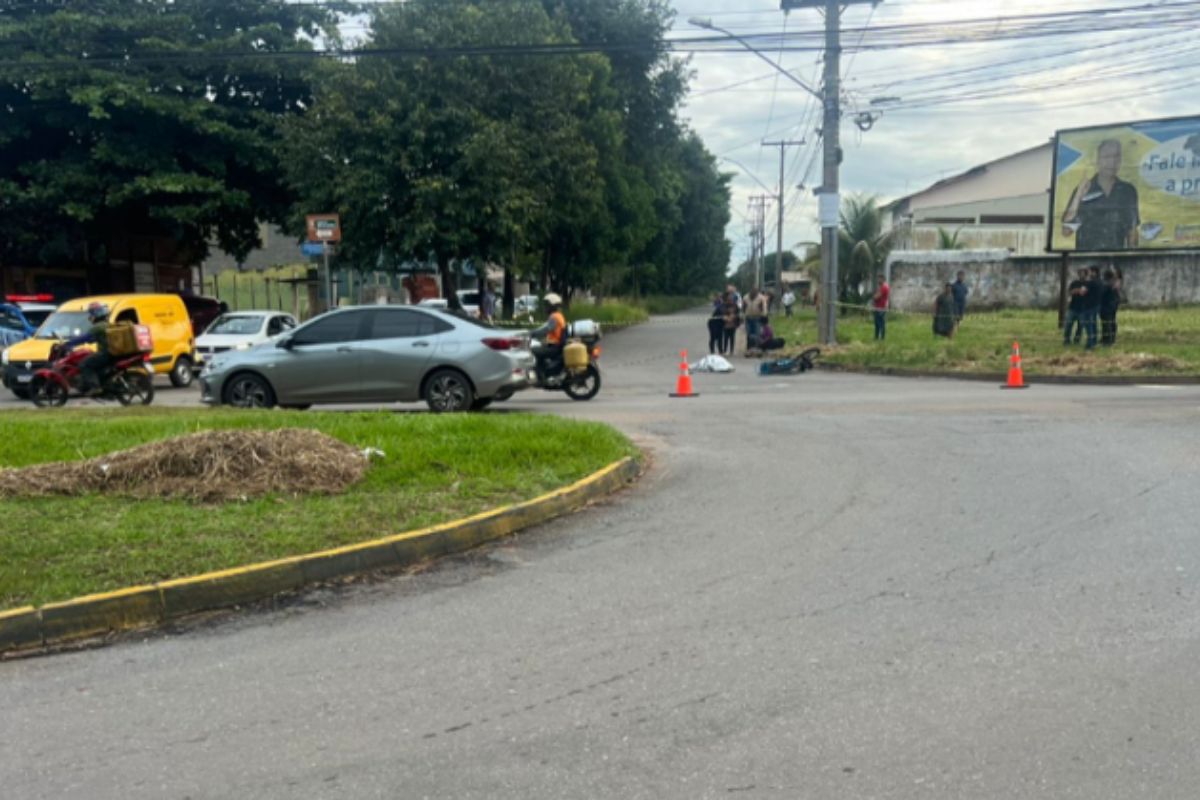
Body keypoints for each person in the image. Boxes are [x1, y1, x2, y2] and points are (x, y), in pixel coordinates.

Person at [1062, 138, 1140, 251]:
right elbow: (1066, 231)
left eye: (1116, 156)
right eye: (1107, 157)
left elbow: (1132, 231)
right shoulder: (1084, 190)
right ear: (1098, 160)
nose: (1112, 162)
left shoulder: (1128, 191)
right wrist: (1078, 197)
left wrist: (1132, 260)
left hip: (1115, 263)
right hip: (1086, 263)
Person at [65, 301, 113, 394]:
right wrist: (91, 340)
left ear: (96, 314)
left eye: (91, 314)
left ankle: (95, 387)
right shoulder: (106, 324)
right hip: (111, 353)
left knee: (84, 364)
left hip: (105, 354)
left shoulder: (97, 327)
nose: (90, 317)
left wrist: (68, 343)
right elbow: (97, 338)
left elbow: (84, 338)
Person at [530, 292, 566, 382]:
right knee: (539, 348)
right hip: (555, 345)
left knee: (533, 351)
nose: (545, 307)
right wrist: (533, 332)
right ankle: (543, 373)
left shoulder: (554, 317)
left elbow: (546, 329)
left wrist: (531, 333)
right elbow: (544, 327)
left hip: (554, 347)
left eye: (547, 305)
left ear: (552, 305)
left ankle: (541, 376)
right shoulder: (558, 316)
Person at [1062, 267, 1090, 345]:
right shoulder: (1074, 283)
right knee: (1068, 324)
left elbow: (1087, 293)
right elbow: (1070, 292)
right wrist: (1077, 291)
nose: (1081, 275)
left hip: (1083, 308)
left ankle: (1077, 340)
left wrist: (1081, 292)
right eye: (1080, 273)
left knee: (1081, 326)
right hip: (1073, 307)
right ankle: (1066, 340)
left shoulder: (1088, 284)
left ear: (1086, 274)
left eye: (1083, 273)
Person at [1082, 265, 1103, 349]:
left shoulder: (1091, 282)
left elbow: (1083, 292)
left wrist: (1084, 285)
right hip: (1097, 305)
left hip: (1089, 306)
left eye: (1090, 271)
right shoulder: (1100, 282)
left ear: (1094, 272)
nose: (1088, 273)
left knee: (1088, 324)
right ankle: (1094, 341)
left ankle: (1090, 343)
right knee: (1093, 324)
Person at [1100, 268, 1122, 346]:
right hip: (1112, 305)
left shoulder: (1107, 284)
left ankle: (1108, 340)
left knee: (1107, 323)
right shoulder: (1114, 284)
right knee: (1111, 322)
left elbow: (1103, 294)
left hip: (1107, 306)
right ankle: (1109, 338)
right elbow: (1118, 296)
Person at [744, 288, 767, 353]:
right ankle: (749, 347)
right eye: (752, 291)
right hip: (748, 317)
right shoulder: (745, 297)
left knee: (757, 333)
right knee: (748, 333)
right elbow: (743, 307)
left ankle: (757, 347)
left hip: (757, 317)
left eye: (754, 291)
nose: (753, 293)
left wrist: (764, 315)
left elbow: (764, 308)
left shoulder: (761, 298)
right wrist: (743, 315)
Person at [872, 273, 890, 341]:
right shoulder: (881, 287)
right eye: (878, 278)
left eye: (879, 278)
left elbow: (877, 297)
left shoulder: (884, 287)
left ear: (882, 279)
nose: (878, 280)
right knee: (877, 323)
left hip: (881, 308)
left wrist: (874, 297)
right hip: (878, 307)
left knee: (881, 323)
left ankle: (882, 338)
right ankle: (876, 337)